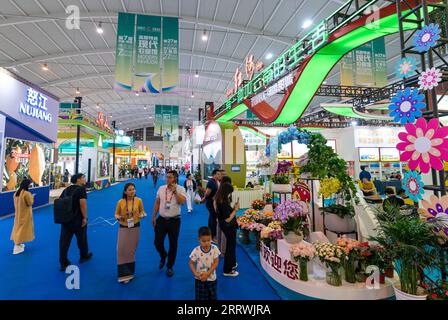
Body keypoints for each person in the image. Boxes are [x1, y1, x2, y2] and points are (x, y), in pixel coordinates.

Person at [152, 170, 186, 277]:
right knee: (157, 242)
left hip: (175, 220)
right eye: (167, 177)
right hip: (161, 219)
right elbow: (157, 202)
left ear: (175, 178)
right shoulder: (161, 188)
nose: (168, 179)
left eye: (170, 177)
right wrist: (153, 216)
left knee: (173, 244)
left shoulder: (181, 189)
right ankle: (163, 255)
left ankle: (170, 266)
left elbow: (182, 202)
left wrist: (175, 192)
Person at [59, 173, 93, 271]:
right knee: (82, 238)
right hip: (78, 219)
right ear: (78, 180)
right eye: (83, 178)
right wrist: (85, 218)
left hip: (66, 219)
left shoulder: (66, 190)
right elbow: (83, 204)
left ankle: (63, 262)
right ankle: (84, 256)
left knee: (64, 242)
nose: (84, 179)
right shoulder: (81, 189)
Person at [115, 183, 146, 283]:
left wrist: (142, 215)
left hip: (135, 227)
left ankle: (129, 273)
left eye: (133, 189)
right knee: (121, 249)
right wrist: (117, 217)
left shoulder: (139, 200)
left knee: (131, 250)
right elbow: (116, 213)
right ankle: (123, 274)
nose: (132, 191)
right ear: (125, 192)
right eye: (129, 190)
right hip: (123, 227)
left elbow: (143, 212)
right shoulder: (120, 202)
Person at [215, 182, 240, 277]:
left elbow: (228, 212)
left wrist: (234, 208)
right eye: (230, 192)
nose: (231, 194)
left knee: (232, 246)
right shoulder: (222, 202)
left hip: (228, 226)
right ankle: (227, 270)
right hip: (228, 226)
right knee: (230, 247)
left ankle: (232, 264)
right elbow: (228, 218)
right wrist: (236, 209)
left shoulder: (222, 200)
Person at [189, 227, 220, 300]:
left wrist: (208, 273)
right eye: (203, 241)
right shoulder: (196, 250)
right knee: (200, 297)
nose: (206, 243)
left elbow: (216, 262)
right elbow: (191, 263)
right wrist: (195, 273)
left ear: (211, 238)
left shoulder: (214, 248)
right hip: (200, 279)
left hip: (212, 278)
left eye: (208, 240)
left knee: (212, 296)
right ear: (199, 240)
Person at [10, 179, 35, 255]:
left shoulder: (16, 193)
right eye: (29, 185)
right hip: (25, 215)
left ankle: (18, 243)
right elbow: (30, 203)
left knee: (17, 228)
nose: (30, 186)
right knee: (22, 230)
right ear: (27, 185)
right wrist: (32, 196)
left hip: (18, 215)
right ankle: (17, 246)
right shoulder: (26, 193)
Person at [202, 169, 222, 241]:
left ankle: (210, 232)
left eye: (220, 174)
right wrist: (204, 199)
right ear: (214, 175)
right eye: (218, 174)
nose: (220, 175)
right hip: (210, 203)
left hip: (214, 203)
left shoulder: (217, 181)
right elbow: (207, 193)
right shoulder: (211, 182)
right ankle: (213, 236)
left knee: (212, 217)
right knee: (213, 218)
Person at [215, 175, 232, 256]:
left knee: (219, 232)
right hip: (223, 217)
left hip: (219, 216)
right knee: (224, 234)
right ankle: (223, 251)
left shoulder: (219, 192)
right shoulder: (222, 195)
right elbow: (227, 216)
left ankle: (220, 249)